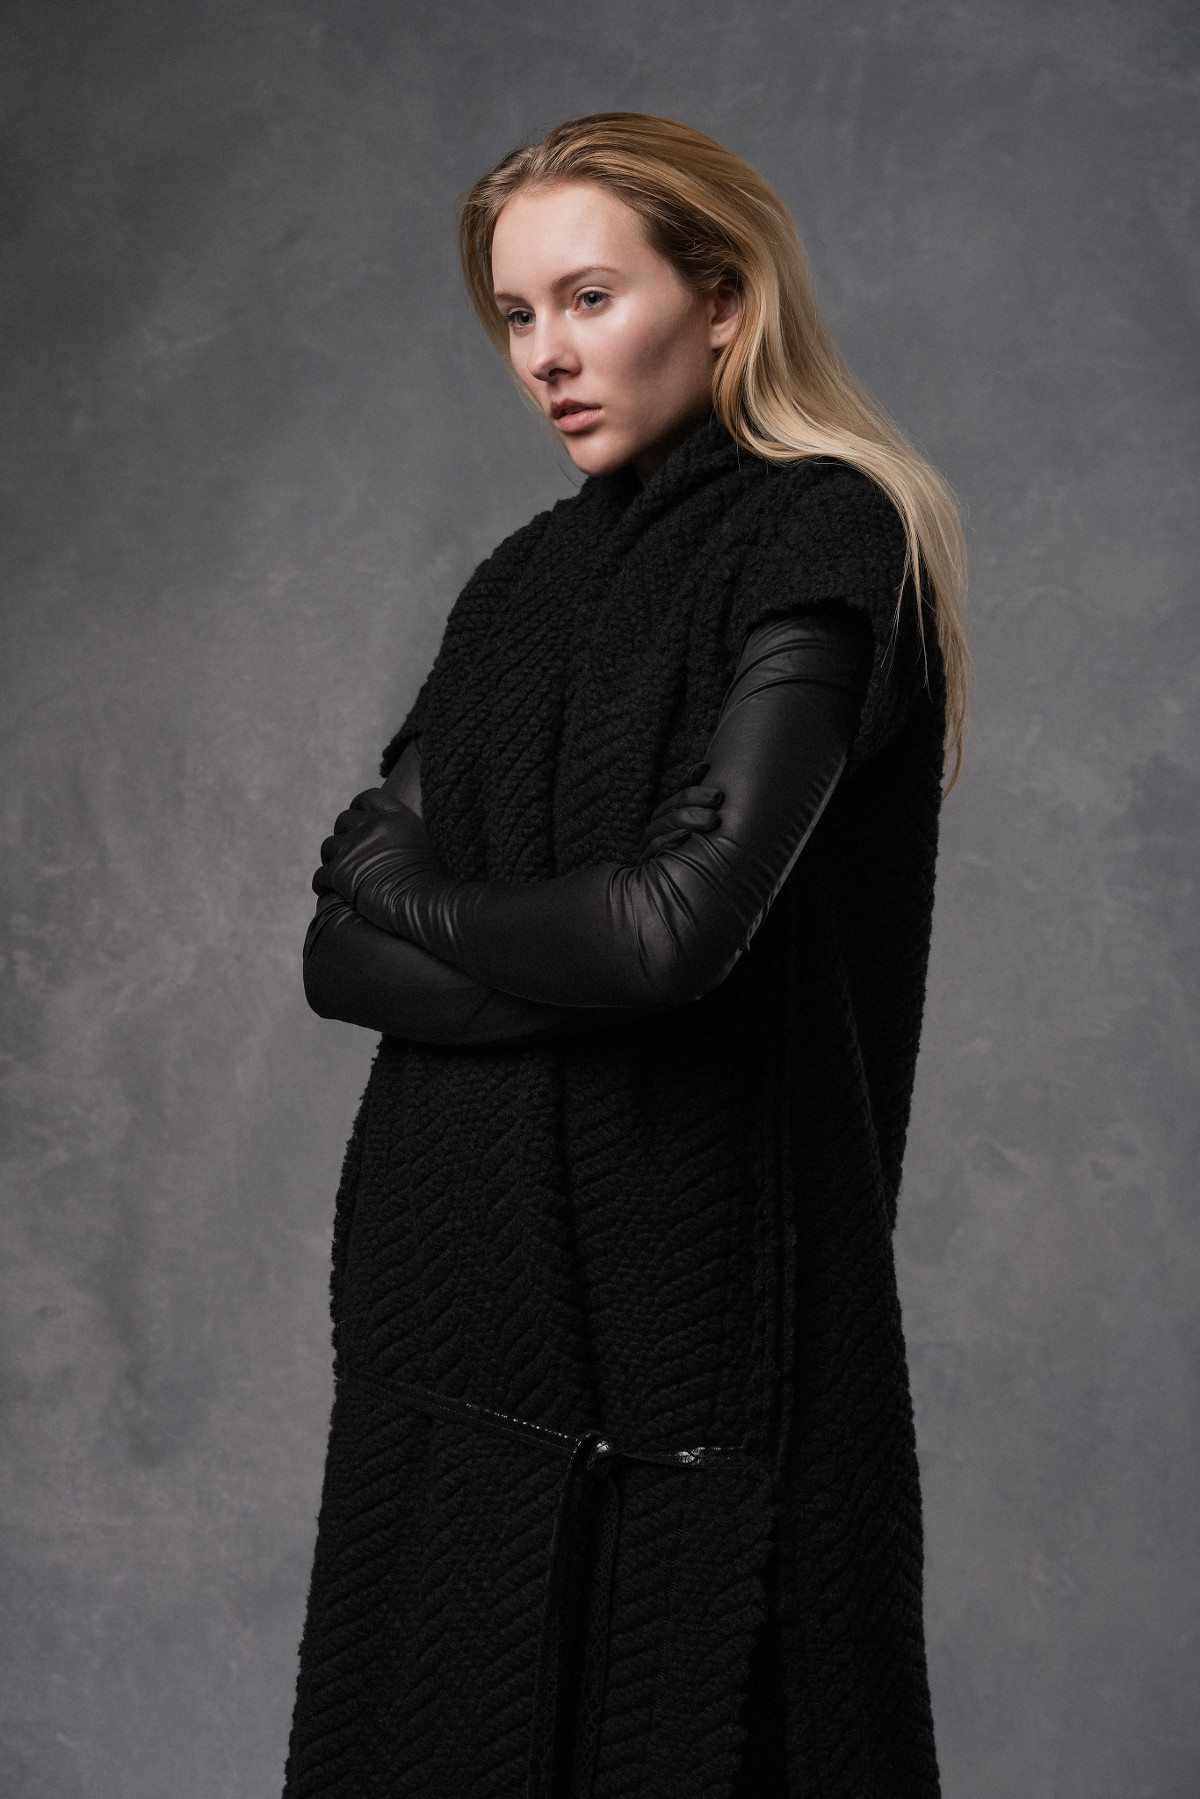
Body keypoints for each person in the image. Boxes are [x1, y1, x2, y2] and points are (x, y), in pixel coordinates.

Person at [283, 113, 969, 1799]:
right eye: (518, 315)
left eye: (589, 298)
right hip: (448, 1337)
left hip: (696, 1364)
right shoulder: (516, 587)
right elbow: (332, 960)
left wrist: (418, 893)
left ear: (723, 300)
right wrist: (553, 945)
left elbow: (673, 930)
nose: (546, 356)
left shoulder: (830, 538)